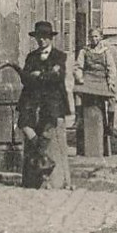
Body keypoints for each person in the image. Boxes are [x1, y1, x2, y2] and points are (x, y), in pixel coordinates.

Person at [17, 20, 71, 189]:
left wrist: (38, 75)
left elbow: (57, 78)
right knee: (24, 124)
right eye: (39, 38)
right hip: (32, 100)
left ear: (50, 39)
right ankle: (41, 158)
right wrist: (43, 74)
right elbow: (24, 78)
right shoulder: (31, 57)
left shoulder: (59, 56)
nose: (42, 41)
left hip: (52, 100)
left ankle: (50, 173)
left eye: (45, 38)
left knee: (49, 129)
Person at [74, 27, 117, 152]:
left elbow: (111, 68)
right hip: (88, 78)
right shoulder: (84, 51)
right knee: (77, 92)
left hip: (101, 79)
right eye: (92, 37)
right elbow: (78, 66)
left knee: (111, 97)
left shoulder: (106, 51)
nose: (94, 39)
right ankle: (78, 119)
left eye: (96, 36)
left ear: (101, 37)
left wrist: (111, 82)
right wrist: (79, 77)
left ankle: (110, 125)